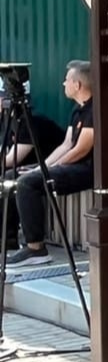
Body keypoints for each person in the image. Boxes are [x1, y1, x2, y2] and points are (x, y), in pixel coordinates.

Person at [6, 61, 96, 267]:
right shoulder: (78, 110)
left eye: (67, 80)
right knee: (12, 176)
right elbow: (66, 145)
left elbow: (80, 150)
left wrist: (49, 169)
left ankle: (36, 248)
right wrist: (42, 166)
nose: (63, 83)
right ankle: (9, 238)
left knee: (27, 183)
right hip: (71, 165)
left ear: (77, 85)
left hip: (86, 169)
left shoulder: (94, 110)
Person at [0, 92, 63, 251]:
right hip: (32, 165)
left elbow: (12, 159)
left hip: (53, 164)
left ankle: (9, 239)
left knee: (9, 178)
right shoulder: (7, 121)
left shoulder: (28, 121)